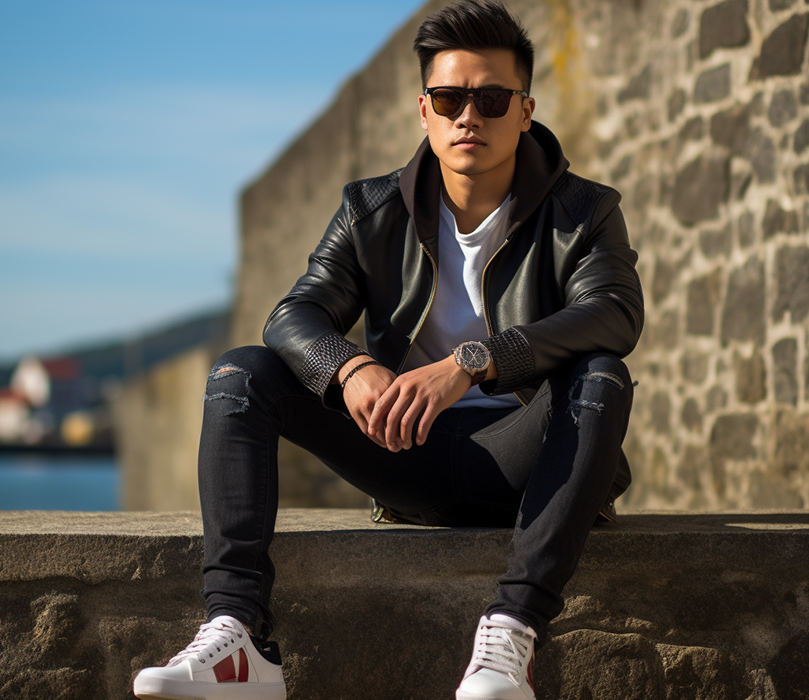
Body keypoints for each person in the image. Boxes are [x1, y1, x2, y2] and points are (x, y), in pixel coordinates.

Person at [133, 1, 643, 698]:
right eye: (450, 98)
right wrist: (349, 368)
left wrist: (472, 362)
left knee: (600, 373)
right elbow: (295, 315)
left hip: (532, 460)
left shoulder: (583, 212)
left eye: (492, 100)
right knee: (241, 373)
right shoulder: (371, 210)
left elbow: (613, 314)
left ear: (525, 111)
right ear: (424, 112)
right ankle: (238, 639)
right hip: (404, 452)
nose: (471, 117)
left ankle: (511, 635)